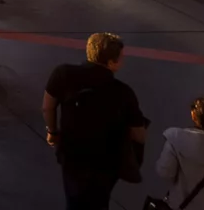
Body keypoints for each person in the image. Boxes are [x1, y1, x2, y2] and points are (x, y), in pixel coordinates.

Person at [44, 32, 148, 210]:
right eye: (121, 58)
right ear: (111, 63)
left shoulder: (63, 73)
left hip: (72, 152)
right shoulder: (123, 93)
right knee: (99, 201)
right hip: (105, 162)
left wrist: (52, 132)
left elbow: (47, 107)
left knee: (74, 197)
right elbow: (139, 134)